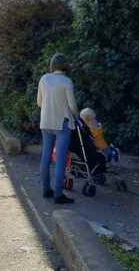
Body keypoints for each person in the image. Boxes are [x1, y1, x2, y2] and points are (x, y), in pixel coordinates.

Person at [37, 53, 78, 205]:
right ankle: (59, 195)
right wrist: (77, 115)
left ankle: (46, 190)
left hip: (45, 122)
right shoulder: (67, 81)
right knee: (60, 160)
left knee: (45, 156)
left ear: (52, 65)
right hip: (62, 123)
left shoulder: (44, 79)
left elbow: (39, 102)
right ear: (65, 66)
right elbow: (72, 106)